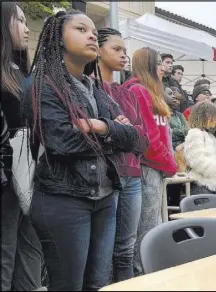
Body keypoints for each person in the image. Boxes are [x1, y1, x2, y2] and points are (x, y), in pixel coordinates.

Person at [23, 10, 141, 290]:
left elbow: (135, 139)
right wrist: (114, 131)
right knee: (68, 285)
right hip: (63, 200)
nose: (91, 35)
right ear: (59, 39)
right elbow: (62, 142)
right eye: (81, 29)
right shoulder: (43, 84)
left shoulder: (94, 87)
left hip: (104, 198)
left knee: (97, 284)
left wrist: (101, 127)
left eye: (92, 30)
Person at [84, 27, 150, 282]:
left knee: (126, 248)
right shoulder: (88, 87)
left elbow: (142, 141)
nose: (125, 56)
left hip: (132, 175)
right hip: (105, 175)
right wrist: (123, 132)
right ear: (98, 50)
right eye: (117, 49)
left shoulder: (127, 93)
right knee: (101, 251)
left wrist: (123, 132)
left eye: (126, 51)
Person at [123, 47, 177, 276]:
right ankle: (144, 278)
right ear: (149, 66)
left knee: (151, 227)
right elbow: (148, 137)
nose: (164, 68)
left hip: (156, 168)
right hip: (148, 168)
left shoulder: (151, 91)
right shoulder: (138, 90)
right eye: (159, 64)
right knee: (145, 232)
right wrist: (169, 163)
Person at [1, 3, 42, 291]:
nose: (27, 29)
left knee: (28, 249)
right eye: (20, 21)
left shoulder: (19, 72)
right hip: (7, 178)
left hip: (28, 175)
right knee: (6, 251)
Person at [183, 102, 216, 194]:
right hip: (200, 184)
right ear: (203, 116)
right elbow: (196, 160)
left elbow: (214, 160)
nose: (215, 120)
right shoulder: (195, 133)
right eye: (213, 116)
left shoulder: (209, 135)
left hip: (212, 184)